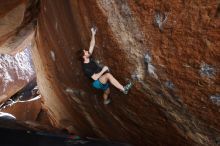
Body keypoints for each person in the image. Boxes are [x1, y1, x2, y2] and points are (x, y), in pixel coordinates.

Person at [81, 27, 132, 105]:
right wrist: (103, 70)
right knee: (108, 75)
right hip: (96, 82)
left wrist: (93, 34)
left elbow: (91, 46)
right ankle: (123, 89)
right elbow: (95, 77)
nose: (87, 51)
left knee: (107, 91)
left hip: (100, 78)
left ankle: (105, 101)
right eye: (85, 52)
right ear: (84, 57)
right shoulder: (86, 68)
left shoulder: (88, 57)